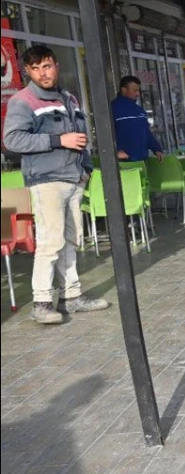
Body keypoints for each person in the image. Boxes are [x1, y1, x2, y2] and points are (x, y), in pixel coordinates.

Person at [2, 45, 109, 324]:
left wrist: (86, 168)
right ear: (27, 71)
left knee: (71, 240)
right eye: (35, 68)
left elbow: (81, 136)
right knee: (50, 242)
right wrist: (57, 140)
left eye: (46, 66)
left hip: (73, 178)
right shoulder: (23, 101)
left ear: (56, 65)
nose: (42, 73)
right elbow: (12, 140)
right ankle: (41, 303)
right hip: (47, 181)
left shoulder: (68, 98)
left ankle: (71, 298)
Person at [111, 76, 163, 162]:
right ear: (124, 90)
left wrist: (156, 149)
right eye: (134, 90)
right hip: (124, 162)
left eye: (138, 90)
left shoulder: (139, 110)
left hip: (142, 160)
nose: (137, 94)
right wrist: (117, 151)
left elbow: (146, 132)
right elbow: (105, 134)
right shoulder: (113, 108)